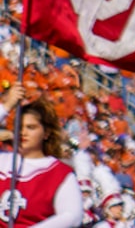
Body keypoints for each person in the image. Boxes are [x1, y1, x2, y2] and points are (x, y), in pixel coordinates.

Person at [0, 96, 84, 228]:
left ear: (46, 133)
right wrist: (6, 107)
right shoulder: (2, 161)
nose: (23, 132)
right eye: (19, 127)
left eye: (31, 127)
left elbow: (72, 216)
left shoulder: (59, 173)